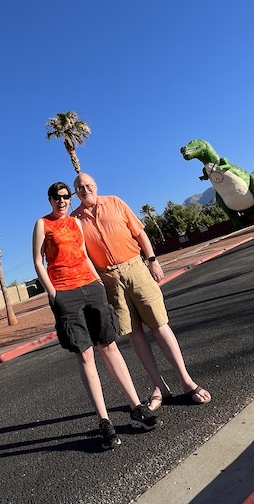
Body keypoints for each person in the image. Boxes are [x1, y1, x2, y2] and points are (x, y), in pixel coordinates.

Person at [32, 181, 159, 450]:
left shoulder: (76, 223)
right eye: (57, 197)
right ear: (49, 200)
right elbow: (37, 262)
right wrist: (54, 294)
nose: (62, 201)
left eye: (66, 197)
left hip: (90, 287)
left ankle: (136, 408)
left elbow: (85, 254)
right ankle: (105, 422)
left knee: (109, 346)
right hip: (65, 292)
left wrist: (98, 282)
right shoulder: (42, 224)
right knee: (86, 354)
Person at [71, 172, 211, 412]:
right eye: (79, 187)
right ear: (76, 193)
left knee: (159, 324)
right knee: (134, 333)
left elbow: (139, 232)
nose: (84, 190)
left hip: (135, 267)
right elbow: (81, 255)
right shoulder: (75, 220)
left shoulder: (115, 202)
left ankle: (187, 381)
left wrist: (153, 260)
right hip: (108, 279)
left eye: (87, 185)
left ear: (95, 186)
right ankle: (159, 387)